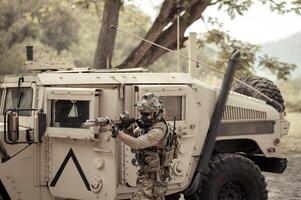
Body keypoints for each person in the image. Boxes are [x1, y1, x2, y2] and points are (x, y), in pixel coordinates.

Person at [112, 93, 172, 200]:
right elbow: (133, 135)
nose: (143, 117)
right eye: (141, 113)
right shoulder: (147, 126)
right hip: (146, 176)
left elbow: (137, 143)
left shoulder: (158, 130)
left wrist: (117, 133)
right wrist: (124, 128)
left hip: (155, 179)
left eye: (147, 114)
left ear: (156, 112)